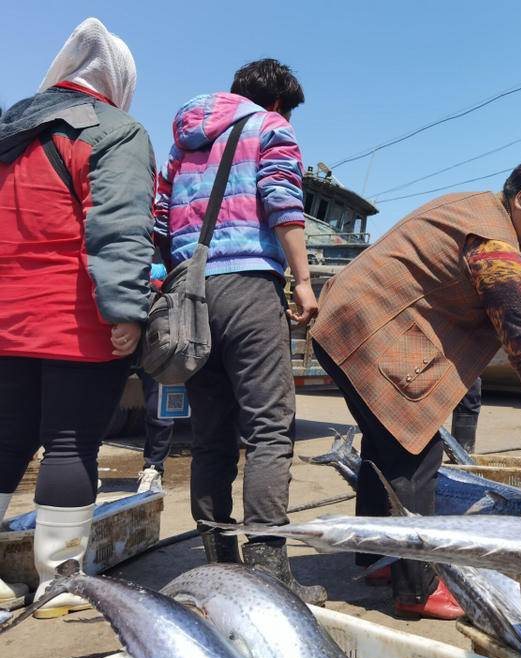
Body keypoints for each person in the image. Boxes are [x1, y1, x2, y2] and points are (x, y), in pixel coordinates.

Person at [310, 155, 521, 619]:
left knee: (386, 447)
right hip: (366, 327)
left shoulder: (472, 205)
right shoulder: (496, 247)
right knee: (413, 453)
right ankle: (417, 588)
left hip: (350, 318)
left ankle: (380, 557)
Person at [154, 59, 325, 604]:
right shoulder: (271, 127)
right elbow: (283, 203)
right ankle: (272, 571)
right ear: (278, 101)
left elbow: (158, 222)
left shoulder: (182, 143)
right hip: (250, 286)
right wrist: (302, 280)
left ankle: (220, 564)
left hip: (189, 295)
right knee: (270, 431)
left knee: (211, 437)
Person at [0, 18, 155, 616]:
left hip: (6, 320)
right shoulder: (115, 131)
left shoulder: (13, 134)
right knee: (69, 445)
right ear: (117, 79)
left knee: (6, 441)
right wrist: (126, 310)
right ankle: (59, 584)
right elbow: (118, 227)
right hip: (72, 316)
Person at [136, 262, 175, 493]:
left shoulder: (162, 235)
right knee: (100, 406)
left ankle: (154, 468)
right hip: (117, 329)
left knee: (158, 409)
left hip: (155, 338)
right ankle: (88, 465)